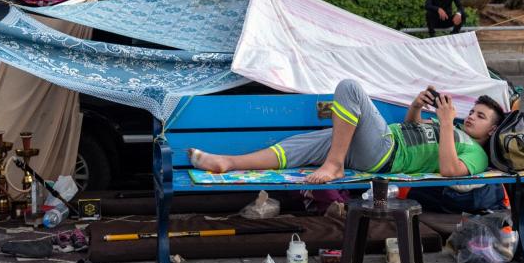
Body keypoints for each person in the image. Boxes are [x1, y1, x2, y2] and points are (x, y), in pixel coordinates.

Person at [189, 79, 505, 185]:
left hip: (385, 154)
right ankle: (229, 162)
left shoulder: (475, 153)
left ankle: (335, 165)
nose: (472, 118)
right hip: (376, 142)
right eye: (473, 112)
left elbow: (450, 170)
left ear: (491, 130)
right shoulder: (449, 129)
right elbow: (415, 131)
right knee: (301, 146)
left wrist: (448, 123)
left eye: (480, 117)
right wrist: (415, 107)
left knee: (349, 88)